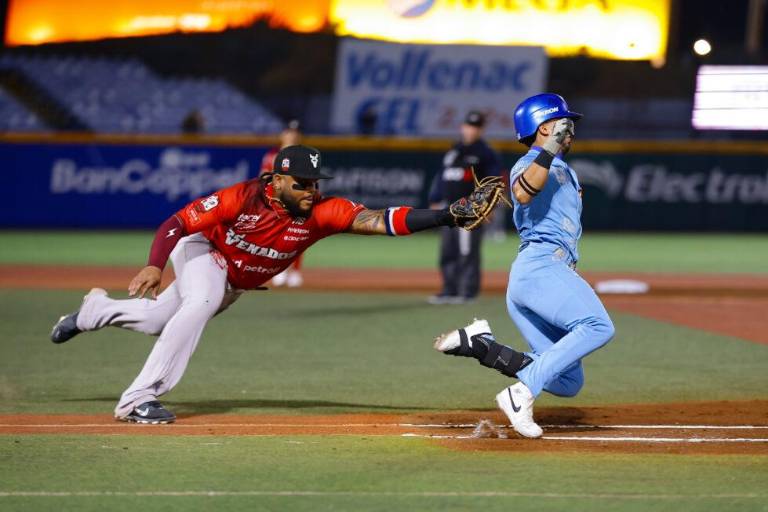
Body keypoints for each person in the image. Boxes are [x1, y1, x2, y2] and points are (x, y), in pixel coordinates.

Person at [50, 145, 489, 424]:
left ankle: (94, 311)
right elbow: (178, 221)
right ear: (277, 180)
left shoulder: (321, 212)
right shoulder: (241, 197)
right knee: (199, 301)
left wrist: (446, 216)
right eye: (301, 184)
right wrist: (154, 265)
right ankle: (137, 400)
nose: (310, 192)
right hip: (202, 251)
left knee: (156, 322)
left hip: (235, 279)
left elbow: (384, 219)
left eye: (315, 184)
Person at [433, 94, 615, 438]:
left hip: (536, 276)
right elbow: (522, 192)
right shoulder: (531, 162)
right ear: (545, 127)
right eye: (563, 123)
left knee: (568, 381)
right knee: (597, 326)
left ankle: (483, 345)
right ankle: (521, 393)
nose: (570, 130)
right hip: (541, 267)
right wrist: (548, 148)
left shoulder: (558, 168)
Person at [428, 110, 502, 304]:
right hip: (448, 207)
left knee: (467, 250)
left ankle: (467, 292)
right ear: (463, 127)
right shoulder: (454, 151)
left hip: (472, 208)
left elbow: (492, 181)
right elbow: (442, 176)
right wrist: (435, 197)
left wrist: (489, 207)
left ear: (481, 130)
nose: (471, 130)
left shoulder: (485, 153)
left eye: (476, 127)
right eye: (469, 126)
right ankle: (449, 290)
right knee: (448, 249)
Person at [260, 119, 304, 287]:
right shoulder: (272, 155)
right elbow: (263, 177)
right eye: (289, 131)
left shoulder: (304, 156)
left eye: (295, 132)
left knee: (298, 236)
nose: (292, 135)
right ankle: (279, 270)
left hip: (296, 199)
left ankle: (296, 272)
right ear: (282, 134)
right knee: (276, 237)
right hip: (276, 200)